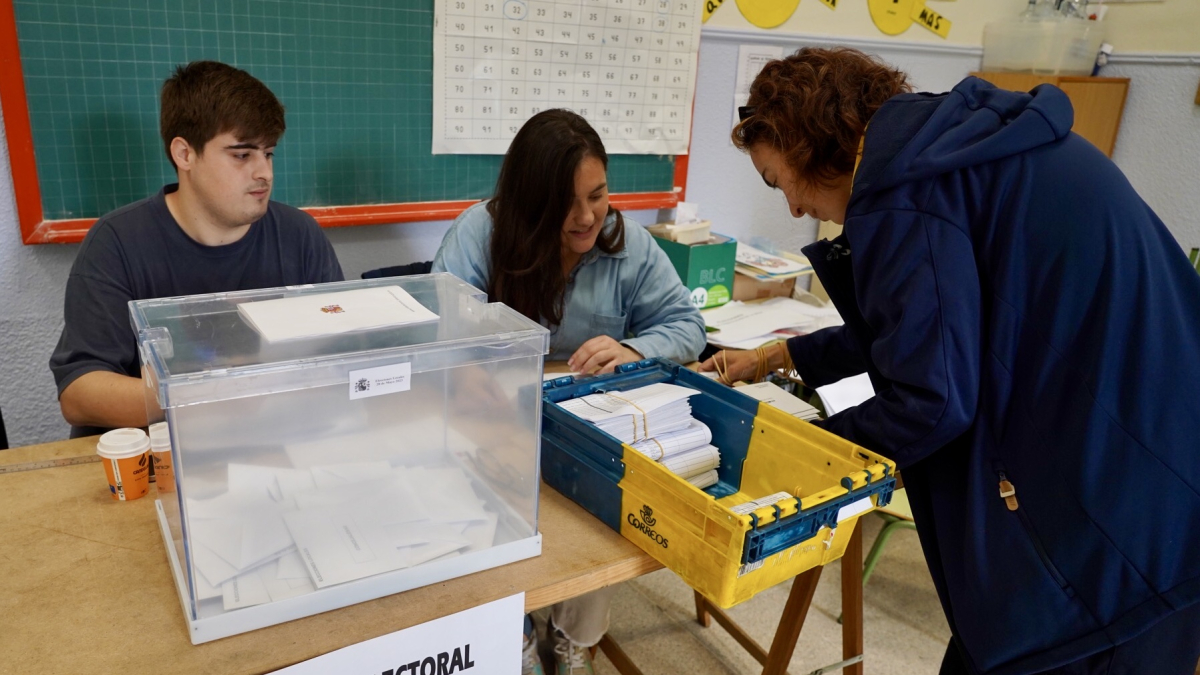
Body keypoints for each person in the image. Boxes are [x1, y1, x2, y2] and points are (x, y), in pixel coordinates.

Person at [701, 48, 1200, 675]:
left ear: (809, 144)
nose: (795, 209)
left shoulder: (902, 191)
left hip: (1117, 533)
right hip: (1161, 469)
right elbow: (924, 321)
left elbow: (930, 401)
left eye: (780, 183)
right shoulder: (953, 147)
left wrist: (802, 450)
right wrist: (781, 355)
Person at [433, 109, 705, 674]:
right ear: (529, 200)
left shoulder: (628, 246)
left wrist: (636, 351)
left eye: (598, 195)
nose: (586, 217)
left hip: (582, 427)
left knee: (604, 508)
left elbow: (687, 326)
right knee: (477, 510)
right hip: (488, 424)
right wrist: (462, 367)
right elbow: (436, 327)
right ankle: (510, 631)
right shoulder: (478, 234)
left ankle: (572, 636)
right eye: (566, 202)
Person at [50, 61, 343, 439]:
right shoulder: (117, 242)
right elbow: (79, 394)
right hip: (159, 460)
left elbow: (341, 351)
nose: (264, 173)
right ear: (184, 154)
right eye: (242, 155)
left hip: (273, 442)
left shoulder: (299, 234)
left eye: (268, 154)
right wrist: (215, 393)